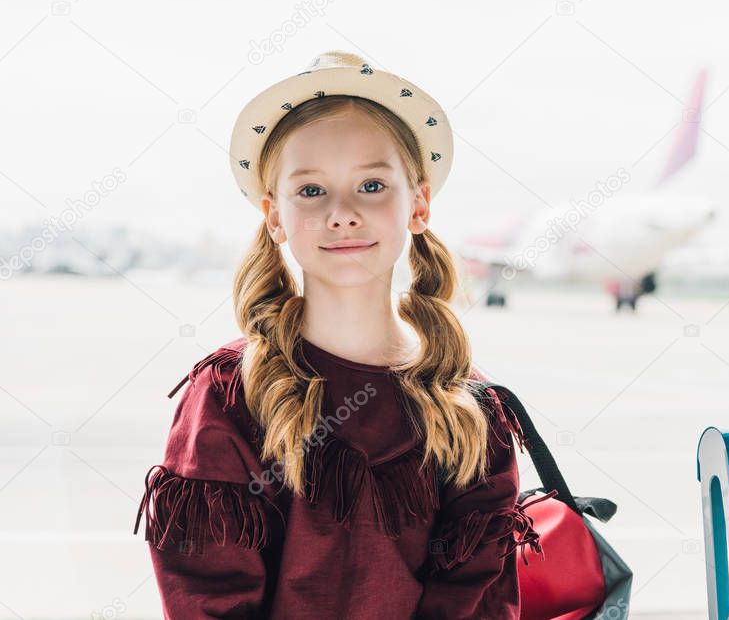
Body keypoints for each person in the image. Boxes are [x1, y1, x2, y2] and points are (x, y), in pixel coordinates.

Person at [133, 51, 545, 619]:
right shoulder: (231, 394)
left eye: (372, 185)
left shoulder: (469, 406)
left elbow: (478, 600)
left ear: (418, 204)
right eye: (310, 191)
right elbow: (207, 596)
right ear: (274, 216)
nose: (343, 213)